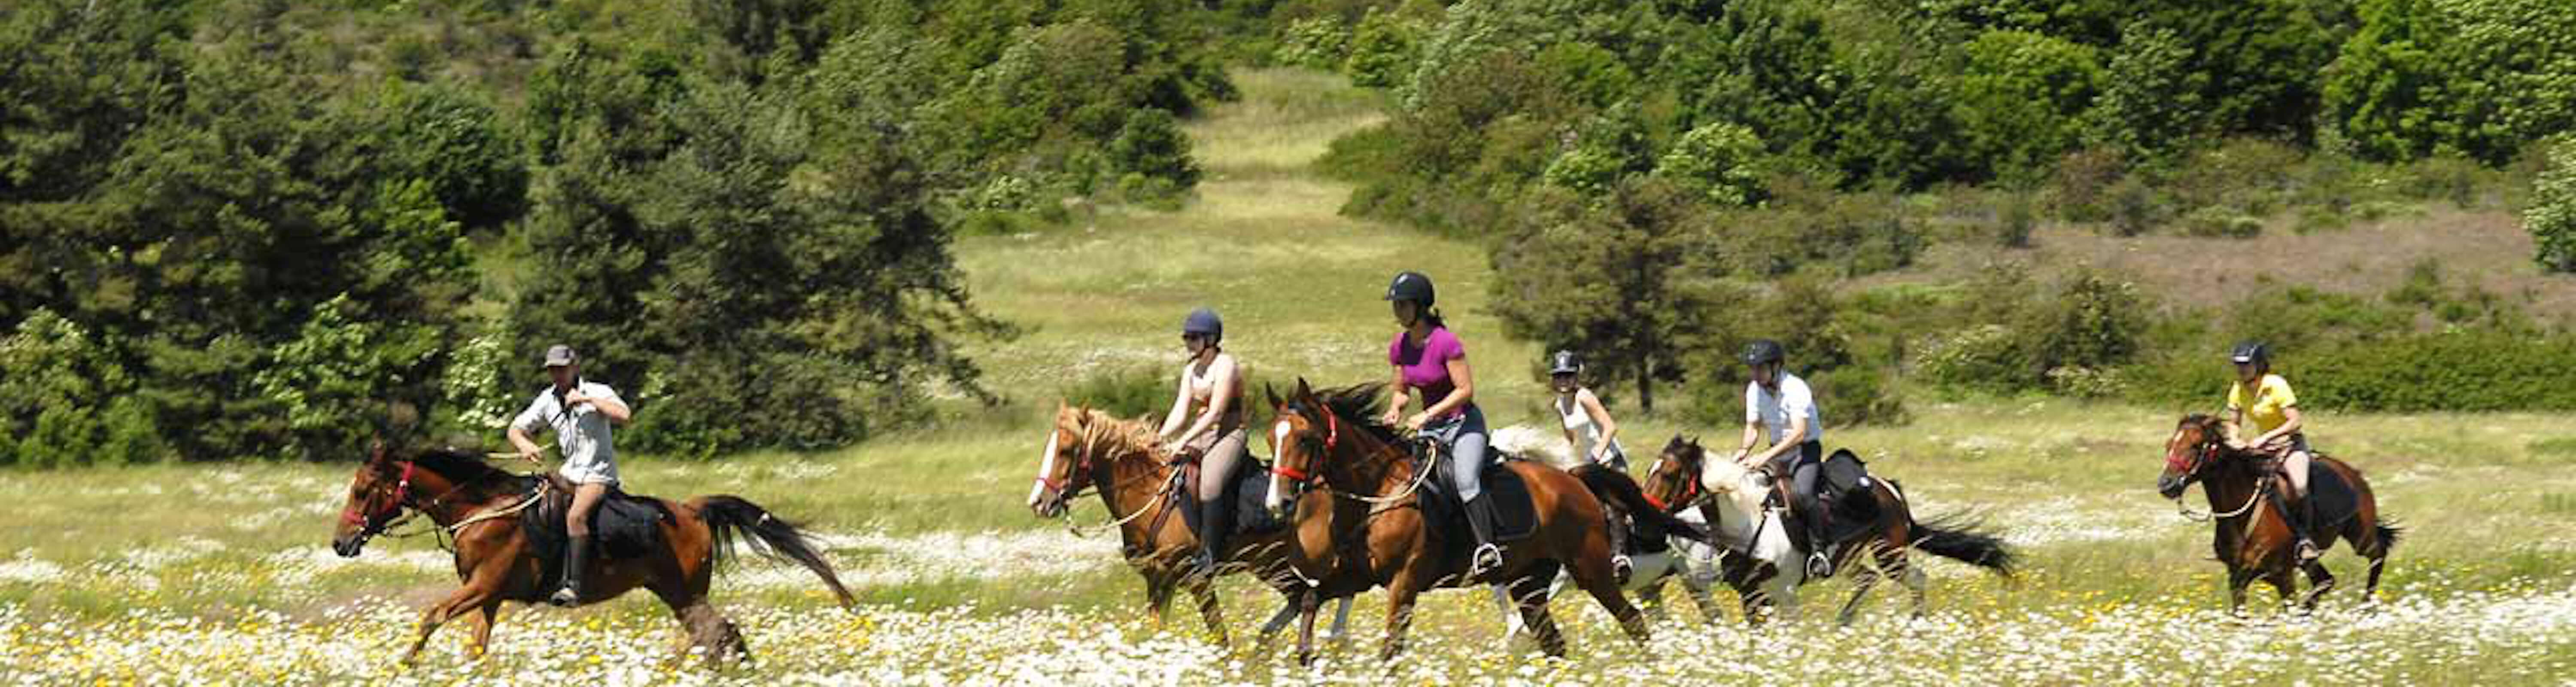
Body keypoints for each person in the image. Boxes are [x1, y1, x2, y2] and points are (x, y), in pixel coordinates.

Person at [1380, 271, 1500, 576]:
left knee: (1465, 480)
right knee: (1410, 482)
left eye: (1403, 304)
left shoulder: (1446, 342)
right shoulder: (1399, 346)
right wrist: (1395, 409)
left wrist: (1428, 414)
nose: (1397, 311)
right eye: (1395, 305)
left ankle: (1487, 547)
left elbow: (1465, 390)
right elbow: (1401, 390)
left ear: (1421, 306)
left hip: (1463, 425)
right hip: (1431, 428)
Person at [507, 344, 632, 607]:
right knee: (533, 502)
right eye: (553, 369)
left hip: (598, 476)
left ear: (575, 366)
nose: (557, 374)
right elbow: (516, 428)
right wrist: (525, 445)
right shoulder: (547, 398)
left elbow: (625, 415)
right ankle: (541, 572)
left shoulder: (598, 391)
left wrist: (588, 401)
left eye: (562, 369)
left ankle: (574, 587)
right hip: (570, 473)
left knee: (576, 516)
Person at [1719, 339, 1835, 578]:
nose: (1755, 374)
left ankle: (1819, 553)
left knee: (1803, 494)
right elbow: (1753, 427)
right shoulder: (1754, 390)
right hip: (1776, 451)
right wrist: (1744, 450)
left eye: (1760, 368)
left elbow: (1799, 432)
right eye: (1752, 369)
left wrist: (1765, 457)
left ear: (1776, 366)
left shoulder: (1796, 388)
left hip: (1805, 450)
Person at [1155, 307, 1248, 577]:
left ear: (1210, 339)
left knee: (1210, 483)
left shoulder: (1226, 365)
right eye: (1186, 338)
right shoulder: (1191, 371)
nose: (1188, 344)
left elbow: (1217, 413)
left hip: (1230, 433)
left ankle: (1211, 553)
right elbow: (1180, 412)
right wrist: (1160, 438)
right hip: (1202, 433)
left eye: (1193, 338)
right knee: (1172, 472)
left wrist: (1183, 439)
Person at [2222, 341, 2321, 562]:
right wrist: (2235, 438)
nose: (2241, 369)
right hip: (2262, 449)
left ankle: (2306, 539)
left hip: (2289, 445)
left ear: (2259, 364)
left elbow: (2296, 422)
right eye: (2238, 365)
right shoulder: (2238, 389)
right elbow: (2233, 422)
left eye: (2246, 365)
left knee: (2300, 485)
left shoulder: (2276, 385)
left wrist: (2267, 437)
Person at [1547, 350, 1625, 470]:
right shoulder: (1560, 404)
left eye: (1568, 375)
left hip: (1610, 461)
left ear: (1576, 377)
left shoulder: (1584, 397)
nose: (1563, 380)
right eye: (1558, 376)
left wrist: (1598, 454)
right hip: (1588, 464)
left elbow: (1610, 427)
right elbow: (1570, 438)